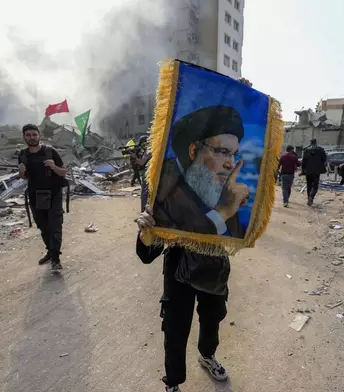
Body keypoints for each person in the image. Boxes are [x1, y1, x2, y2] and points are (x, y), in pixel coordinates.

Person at [136, 206, 230, 392]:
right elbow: (147, 255)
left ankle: (207, 355)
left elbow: (235, 223)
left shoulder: (225, 184)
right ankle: (173, 381)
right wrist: (145, 231)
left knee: (212, 317)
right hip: (178, 267)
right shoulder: (165, 184)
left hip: (214, 262)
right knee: (175, 327)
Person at [153, 105, 249, 239]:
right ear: (193, 151)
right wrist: (222, 213)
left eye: (234, 154)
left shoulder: (222, 191)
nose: (231, 164)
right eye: (222, 152)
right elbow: (148, 252)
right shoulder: (161, 187)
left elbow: (235, 236)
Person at [18, 124, 68, 270]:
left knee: (55, 226)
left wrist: (54, 167)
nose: (32, 137)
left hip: (54, 194)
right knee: (43, 226)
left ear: (39, 135)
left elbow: (63, 172)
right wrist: (21, 172)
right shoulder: (23, 155)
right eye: (28, 135)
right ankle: (51, 252)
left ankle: (55, 258)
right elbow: (23, 177)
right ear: (24, 137)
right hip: (35, 195)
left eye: (34, 134)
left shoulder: (50, 152)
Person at [301, 139, 327, 206]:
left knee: (309, 185)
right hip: (317, 171)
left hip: (308, 170)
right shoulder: (321, 149)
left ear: (310, 143)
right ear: (316, 142)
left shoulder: (306, 150)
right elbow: (324, 159)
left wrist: (303, 170)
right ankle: (311, 197)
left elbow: (303, 161)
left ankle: (309, 198)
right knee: (315, 186)